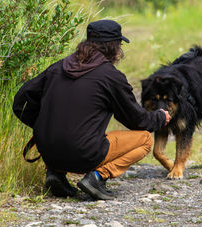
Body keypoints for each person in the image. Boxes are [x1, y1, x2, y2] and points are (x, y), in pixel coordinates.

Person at [13, 19, 171, 200]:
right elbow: (137, 120)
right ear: (114, 47)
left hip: (48, 151)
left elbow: (20, 102)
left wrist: (43, 126)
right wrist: (159, 117)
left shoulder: (58, 67)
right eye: (119, 44)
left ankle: (55, 174)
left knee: (72, 137)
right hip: (83, 155)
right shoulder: (110, 76)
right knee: (144, 140)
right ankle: (97, 177)